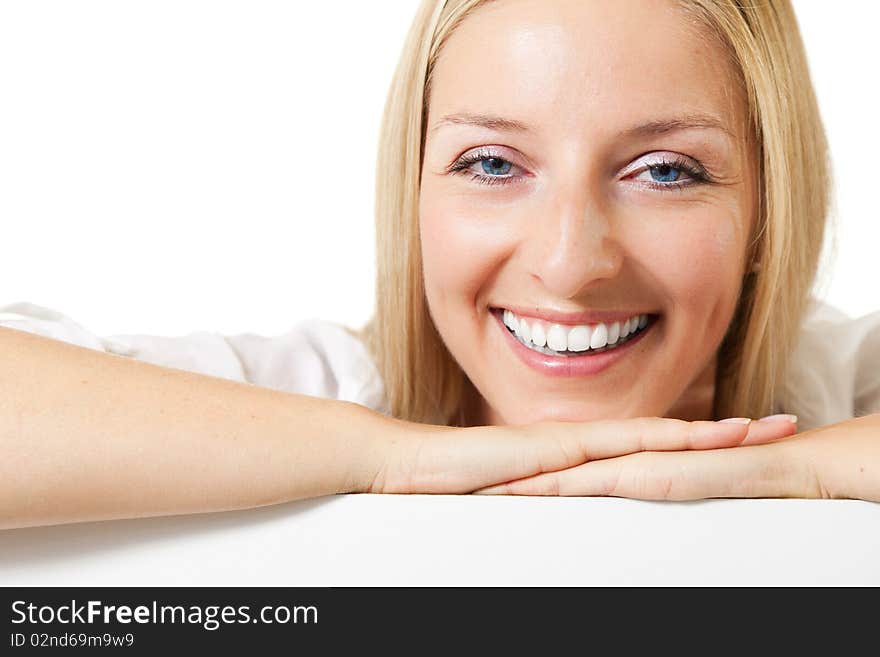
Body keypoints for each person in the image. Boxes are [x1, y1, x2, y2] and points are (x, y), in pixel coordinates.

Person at [2, 0, 878, 531]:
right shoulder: (329, 392)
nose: (570, 264)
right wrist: (390, 459)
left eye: (665, 171)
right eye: (493, 164)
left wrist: (787, 473)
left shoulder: (841, 389)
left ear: (768, 204)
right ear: (413, 193)